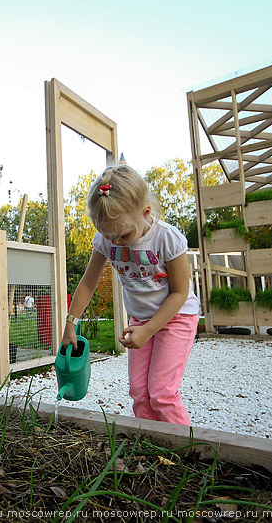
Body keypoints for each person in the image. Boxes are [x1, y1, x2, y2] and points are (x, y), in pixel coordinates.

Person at [62, 164, 201, 426]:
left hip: (176, 318)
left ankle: (190, 455)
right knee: (139, 393)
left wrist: (148, 330)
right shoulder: (106, 240)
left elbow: (181, 293)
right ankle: (152, 448)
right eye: (108, 234)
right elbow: (88, 283)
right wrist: (71, 323)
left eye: (123, 234)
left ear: (145, 212)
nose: (115, 242)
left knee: (162, 393)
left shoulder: (167, 239)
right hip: (140, 321)